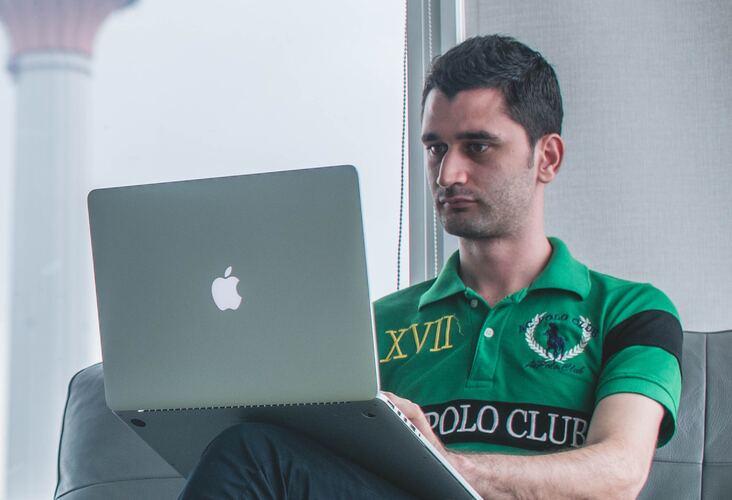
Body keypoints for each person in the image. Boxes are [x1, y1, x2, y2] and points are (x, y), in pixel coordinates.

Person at [179, 35, 683, 499]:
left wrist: (443, 463)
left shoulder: (630, 310)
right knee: (250, 450)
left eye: (478, 147)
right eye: (435, 148)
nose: (449, 173)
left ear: (546, 157)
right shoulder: (372, 327)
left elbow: (619, 472)